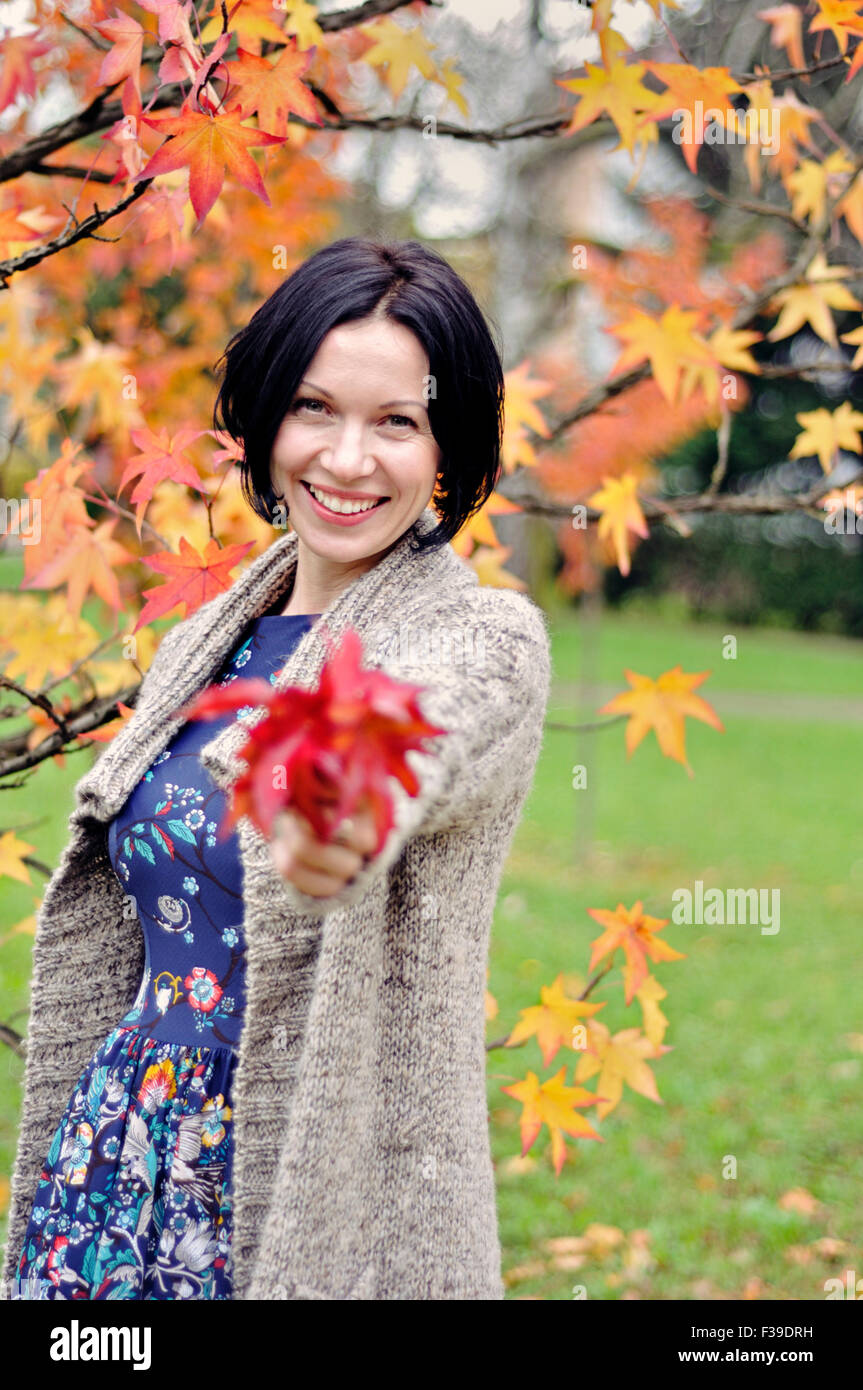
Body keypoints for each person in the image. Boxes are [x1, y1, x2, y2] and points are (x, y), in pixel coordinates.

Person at [2, 237, 552, 1301]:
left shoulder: (482, 640)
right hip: (114, 1154)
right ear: (264, 421)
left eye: (395, 421)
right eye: (314, 408)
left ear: (446, 446)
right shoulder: (203, 641)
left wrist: (338, 805)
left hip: (301, 1184)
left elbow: (424, 741)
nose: (347, 460)